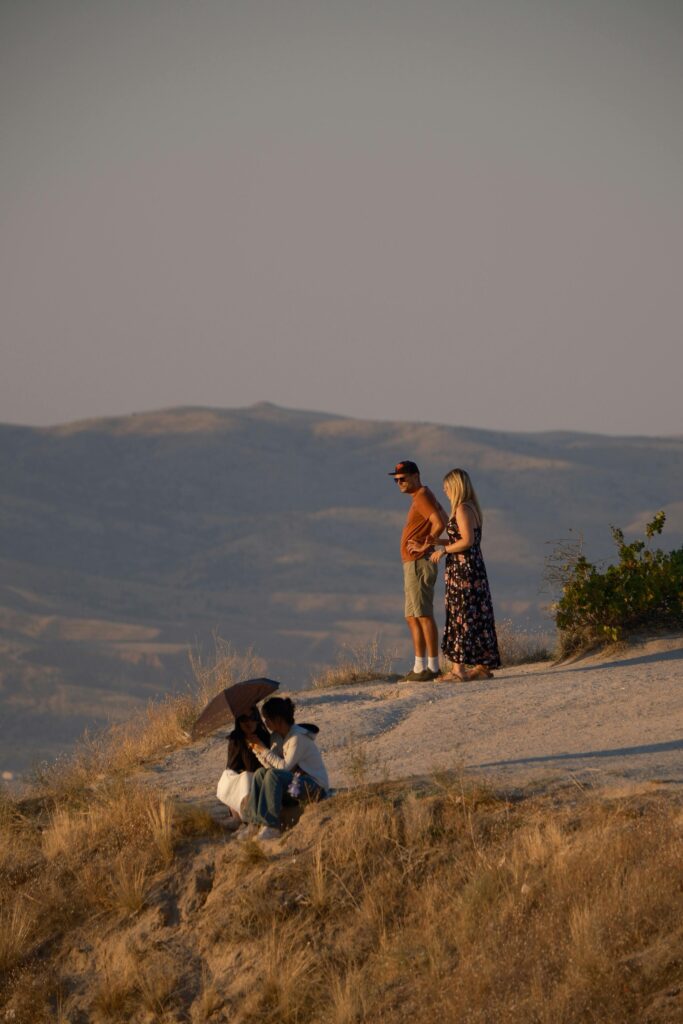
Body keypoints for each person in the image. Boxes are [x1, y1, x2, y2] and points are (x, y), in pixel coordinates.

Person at [414, 468, 500, 681]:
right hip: (474, 568)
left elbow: (467, 541)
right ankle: (482, 666)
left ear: (456, 486)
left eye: (446, 487)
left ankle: (457, 670)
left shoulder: (462, 509)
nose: (444, 490)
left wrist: (443, 551)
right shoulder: (472, 508)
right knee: (478, 615)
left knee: (459, 615)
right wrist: (439, 541)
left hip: (463, 571)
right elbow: (465, 539)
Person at [389, 460, 448, 681]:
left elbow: (438, 522)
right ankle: (419, 667)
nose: (399, 483)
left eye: (402, 479)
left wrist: (426, 545)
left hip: (419, 562)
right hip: (413, 563)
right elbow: (443, 518)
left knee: (422, 614)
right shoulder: (424, 495)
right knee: (412, 615)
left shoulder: (422, 496)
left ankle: (432, 668)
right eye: (396, 480)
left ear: (415, 476)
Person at [242, 696, 329, 841]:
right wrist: (257, 749)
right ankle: (254, 823)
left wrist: (264, 750)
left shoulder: (298, 738)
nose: (266, 723)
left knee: (274, 775)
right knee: (260, 773)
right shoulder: (276, 737)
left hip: (314, 787)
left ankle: (271, 826)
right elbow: (271, 766)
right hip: (295, 782)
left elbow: (284, 768)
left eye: (267, 719)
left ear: (278, 719)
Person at [216, 706, 273, 822]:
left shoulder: (265, 737)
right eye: (244, 719)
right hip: (242, 784)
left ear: (257, 719)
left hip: (262, 781)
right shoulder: (236, 739)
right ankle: (238, 816)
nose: (249, 722)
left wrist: (258, 745)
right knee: (236, 777)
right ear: (238, 721)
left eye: (252, 718)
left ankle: (248, 818)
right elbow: (232, 768)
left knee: (248, 777)